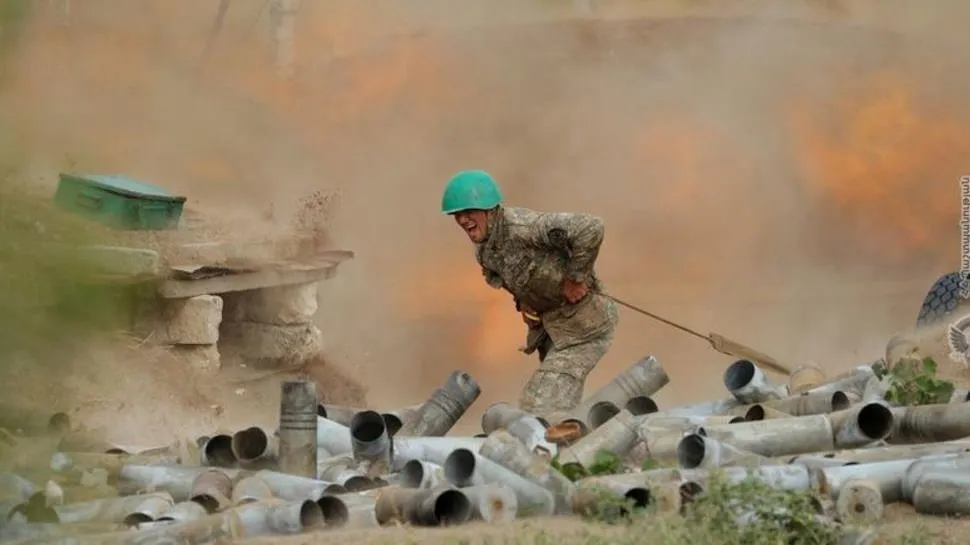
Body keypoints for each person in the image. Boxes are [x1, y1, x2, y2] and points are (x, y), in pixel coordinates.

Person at [440, 169, 618, 416]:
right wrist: (526, 302)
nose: (462, 220)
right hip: (553, 331)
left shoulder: (524, 227)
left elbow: (590, 227)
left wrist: (576, 279)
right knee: (557, 404)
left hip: (584, 327)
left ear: (490, 210)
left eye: (469, 212)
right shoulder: (485, 251)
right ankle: (578, 442)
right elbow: (514, 278)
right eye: (457, 215)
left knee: (540, 404)